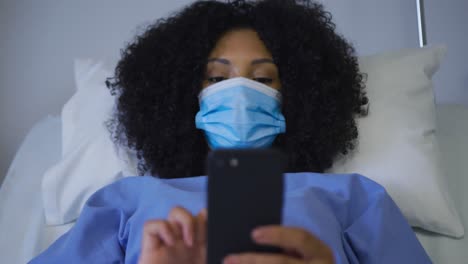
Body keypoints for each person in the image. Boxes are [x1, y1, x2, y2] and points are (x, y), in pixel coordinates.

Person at [30, 0, 432, 263]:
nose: (240, 90)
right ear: (184, 96)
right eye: (216, 77)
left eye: (264, 77)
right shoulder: (126, 200)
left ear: (299, 97)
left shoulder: (353, 197)